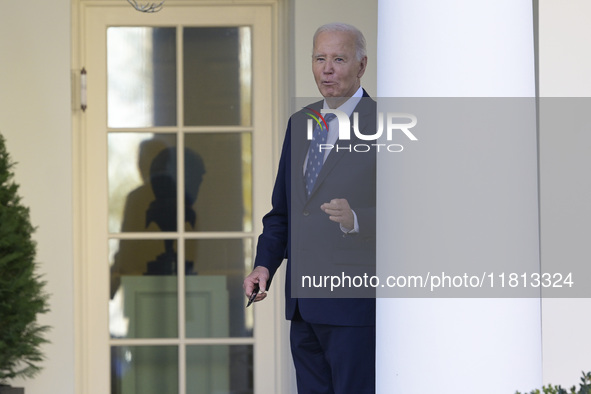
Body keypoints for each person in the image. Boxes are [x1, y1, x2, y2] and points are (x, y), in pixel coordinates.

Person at [243, 22, 376, 393]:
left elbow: (411, 218)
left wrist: (356, 220)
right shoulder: (300, 124)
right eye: (320, 58)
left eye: (338, 59)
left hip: (353, 308)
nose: (327, 69)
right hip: (303, 307)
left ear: (361, 65)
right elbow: (283, 213)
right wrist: (264, 264)